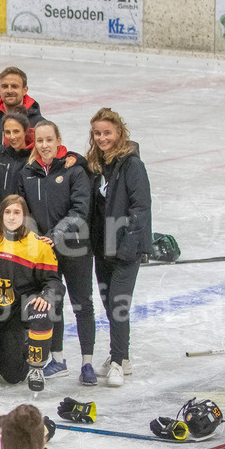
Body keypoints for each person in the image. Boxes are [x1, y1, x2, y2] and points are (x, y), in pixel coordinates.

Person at [18, 120, 95, 384]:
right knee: (54, 303)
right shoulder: (28, 172)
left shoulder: (74, 170)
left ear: (58, 139)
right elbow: (23, 210)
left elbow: (80, 210)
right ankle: (58, 359)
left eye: (49, 140)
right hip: (46, 252)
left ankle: (87, 363)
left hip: (75, 249)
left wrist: (54, 236)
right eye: (39, 141)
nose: (44, 145)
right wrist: (34, 237)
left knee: (82, 304)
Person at [87, 108, 151, 387]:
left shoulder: (132, 165)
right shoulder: (96, 164)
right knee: (108, 302)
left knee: (118, 305)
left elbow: (141, 206)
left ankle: (118, 362)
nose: (103, 138)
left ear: (119, 133)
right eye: (98, 133)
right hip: (102, 246)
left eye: (107, 133)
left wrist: (129, 244)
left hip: (126, 247)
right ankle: (120, 357)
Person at [0, 195, 62, 393]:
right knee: (11, 374)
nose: (12, 217)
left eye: (17, 213)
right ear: (0, 215)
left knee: (43, 310)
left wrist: (47, 295)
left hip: (20, 309)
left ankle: (36, 366)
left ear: (25, 217)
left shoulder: (39, 246)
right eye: (7, 212)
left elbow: (54, 281)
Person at [0, 66, 44, 148]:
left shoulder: (39, 124)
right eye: (5, 86)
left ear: (25, 90)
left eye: (14, 86)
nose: (9, 91)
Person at [0, 110, 33, 210]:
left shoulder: (34, 157)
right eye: (7, 132)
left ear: (26, 131)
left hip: (23, 219)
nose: (12, 137)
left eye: (16, 131)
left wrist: (74, 157)